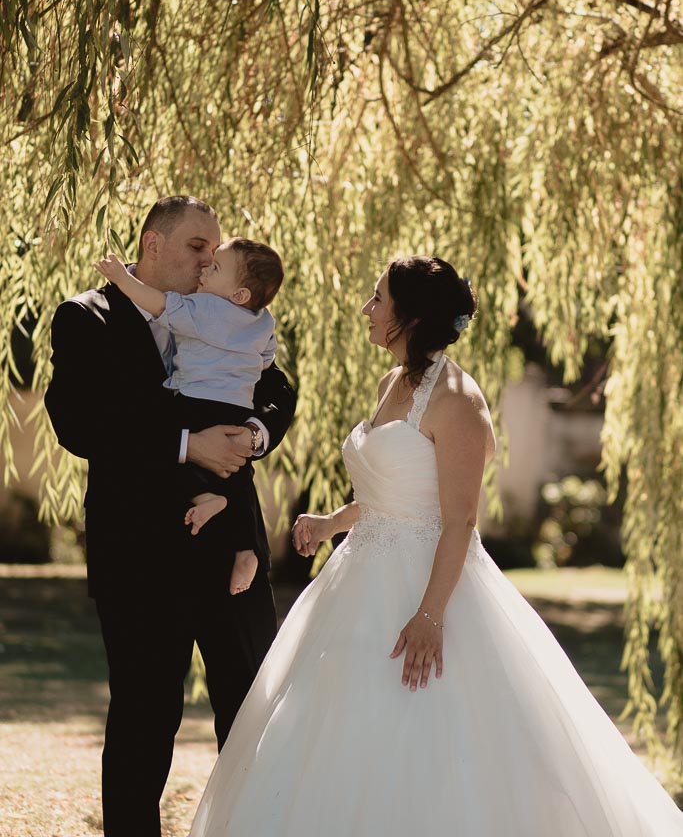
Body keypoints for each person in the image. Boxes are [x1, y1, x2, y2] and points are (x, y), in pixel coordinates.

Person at [188, 256, 683, 837]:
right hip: (356, 580)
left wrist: (429, 615)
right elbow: (395, 495)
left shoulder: (457, 400)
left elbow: (458, 519)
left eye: (378, 300)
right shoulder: (389, 382)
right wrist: (332, 523)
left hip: (431, 586)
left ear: (410, 318)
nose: (367, 310)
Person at [44, 196, 296, 837]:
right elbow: (80, 421)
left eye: (215, 250)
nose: (209, 259)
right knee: (144, 714)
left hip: (230, 542)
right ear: (152, 245)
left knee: (249, 702)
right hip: (139, 553)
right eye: (196, 247)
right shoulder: (87, 317)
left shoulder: (230, 314)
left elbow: (276, 390)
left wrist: (251, 438)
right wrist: (188, 446)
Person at [94, 235, 284, 595]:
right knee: (237, 472)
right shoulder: (262, 320)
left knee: (166, 451)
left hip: (195, 400)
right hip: (237, 406)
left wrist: (121, 278)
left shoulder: (205, 309)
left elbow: (159, 304)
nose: (204, 269)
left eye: (214, 266)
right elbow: (266, 361)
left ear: (239, 294)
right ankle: (248, 548)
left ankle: (203, 498)